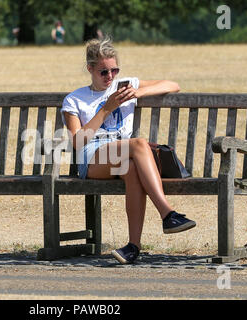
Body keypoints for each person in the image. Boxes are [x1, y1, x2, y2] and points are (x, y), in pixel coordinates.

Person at [60, 37, 196, 264]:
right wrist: (106, 109)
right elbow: (77, 142)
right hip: (93, 157)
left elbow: (173, 85)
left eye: (115, 70)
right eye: (104, 72)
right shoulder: (75, 100)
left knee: (133, 168)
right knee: (140, 144)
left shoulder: (126, 86)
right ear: (90, 69)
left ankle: (133, 246)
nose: (110, 77)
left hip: (124, 156)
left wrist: (139, 93)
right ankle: (168, 214)